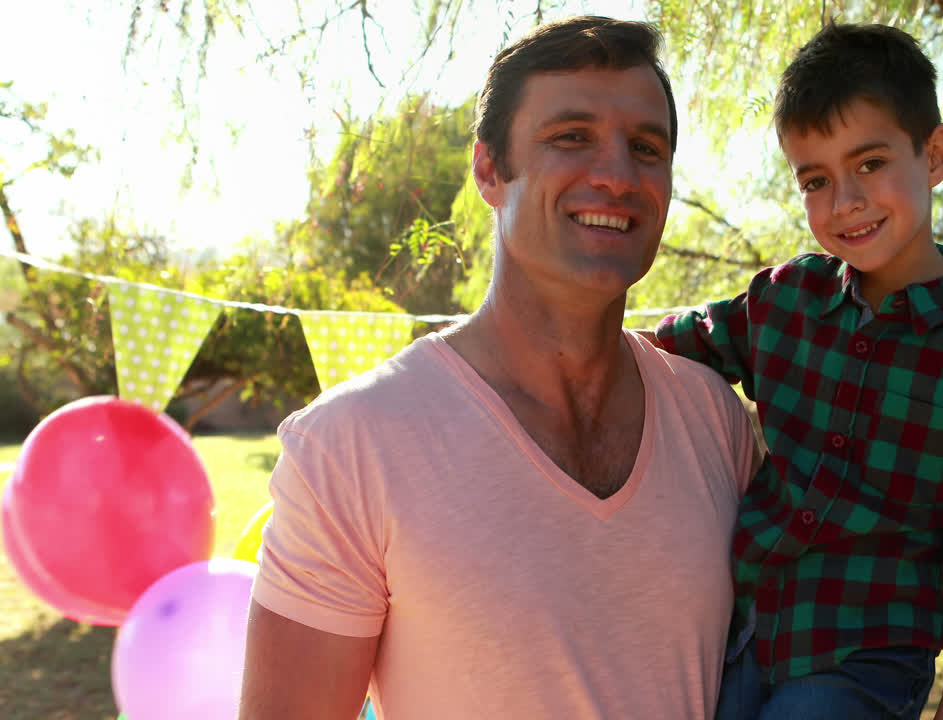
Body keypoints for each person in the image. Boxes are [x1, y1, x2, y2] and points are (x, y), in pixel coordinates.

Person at [238, 17, 758, 720]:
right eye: (571, 137)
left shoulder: (714, 419)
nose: (616, 175)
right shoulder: (352, 445)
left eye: (646, 147)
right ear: (489, 171)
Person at [650, 22, 943, 720]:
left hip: (868, 657)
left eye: (869, 164)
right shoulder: (785, 300)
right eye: (816, 180)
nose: (844, 202)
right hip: (746, 633)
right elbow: (662, 349)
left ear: (935, 154)